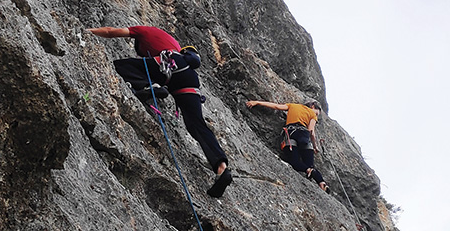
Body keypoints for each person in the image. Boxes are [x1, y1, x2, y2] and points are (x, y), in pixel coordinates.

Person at [88, 25, 233, 197]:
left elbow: (111, 31)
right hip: (188, 79)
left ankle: (150, 86)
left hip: (169, 65)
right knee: (197, 125)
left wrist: (87, 32)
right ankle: (221, 168)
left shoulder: (144, 30)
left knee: (120, 66)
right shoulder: (175, 44)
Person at [245, 98, 330, 193]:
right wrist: (315, 146)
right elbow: (311, 131)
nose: (316, 115)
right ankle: (321, 182)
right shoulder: (312, 114)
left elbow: (276, 106)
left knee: (294, 162)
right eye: (317, 113)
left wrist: (257, 102)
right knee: (310, 164)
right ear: (312, 106)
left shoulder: (292, 105)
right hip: (304, 137)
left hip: (291, 134)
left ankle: (308, 170)